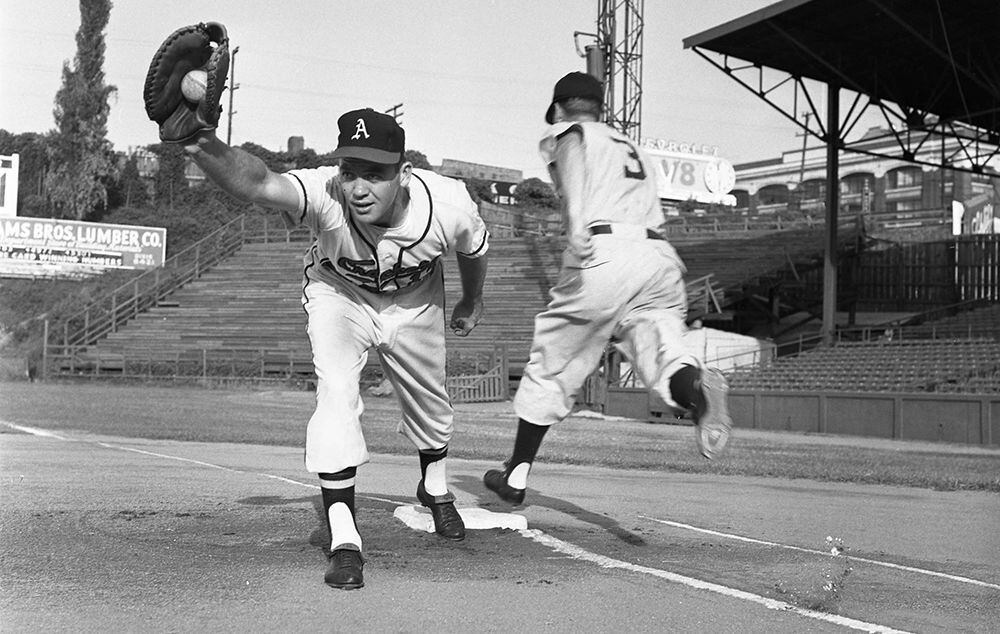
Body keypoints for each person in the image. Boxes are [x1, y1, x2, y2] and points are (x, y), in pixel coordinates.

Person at [179, 108, 489, 590]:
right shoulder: (327, 191)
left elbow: (474, 252)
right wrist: (204, 146)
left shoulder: (450, 206)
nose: (358, 187)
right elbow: (260, 182)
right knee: (336, 390)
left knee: (431, 402)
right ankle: (345, 538)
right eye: (350, 171)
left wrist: (471, 300)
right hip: (339, 294)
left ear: (403, 174)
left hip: (415, 301)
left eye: (375, 174)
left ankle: (434, 487)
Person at [483, 72, 732, 506]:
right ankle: (697, 391)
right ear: (600, 106)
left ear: (560, 108)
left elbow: (572, 147)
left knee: (554, 362)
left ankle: (517, 475)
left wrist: (576, 222)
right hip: (658, 259)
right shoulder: (633, 148)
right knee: (664, 351)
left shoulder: (573, 131)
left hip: (604, 250)